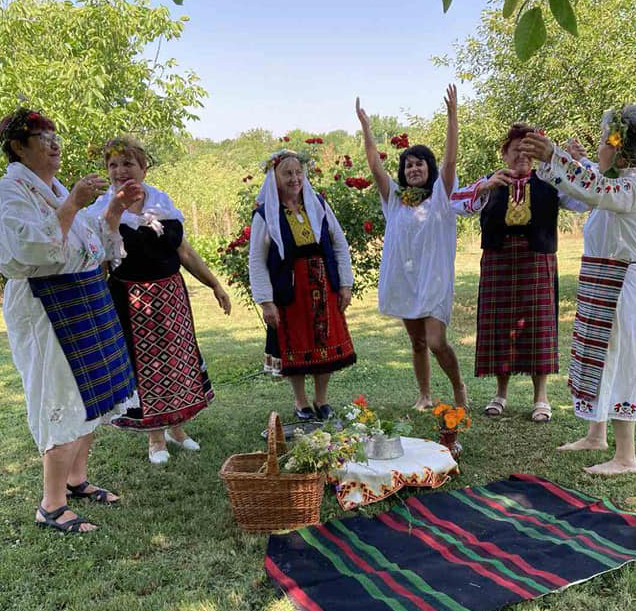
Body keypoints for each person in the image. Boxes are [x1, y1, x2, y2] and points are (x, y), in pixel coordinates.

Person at [0, 108, 141, 533]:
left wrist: (110, 210)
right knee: (62, 394)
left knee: (92, 393)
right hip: (46, 301)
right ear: (18, 146)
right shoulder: (9, 192)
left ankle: (75, 481)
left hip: (83, 295)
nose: (54, 145)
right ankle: (51, 505)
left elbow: (91, 244)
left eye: (57, 137)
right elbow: (32, 250)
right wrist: (73, 202)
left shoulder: (50, 188)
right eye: (43, 137)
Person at [521, 105, 636, 474]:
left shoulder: (633, 187)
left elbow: (597, 189)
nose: (598, 148)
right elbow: (590, 180)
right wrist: (571, 162)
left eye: (604, 141)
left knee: (619, 361)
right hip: (601, 281)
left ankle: (626, 457)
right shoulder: (617, 178)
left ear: (619, 148)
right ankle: (596, 434)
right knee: (596, 359)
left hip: (619, 286)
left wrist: (556, 156)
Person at [84, 137, 231, 464]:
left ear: (144, 168)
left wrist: (214, 285)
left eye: (128, 164)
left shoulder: (163, 204)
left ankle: (176, 429)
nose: (120, 171)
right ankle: (155, 438)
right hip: (130, 299)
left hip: (171, 295)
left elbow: (185, 252)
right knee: (146, 365)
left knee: (176, 360)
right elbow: (102, 263)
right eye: (113, 165)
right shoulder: (101, 211)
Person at [357, 85, 484, 410]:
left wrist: (453, 116)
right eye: (409, 165)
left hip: (434, 279)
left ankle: (458, 387)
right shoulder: (395, 199)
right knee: (416, 342)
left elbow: (451, 157)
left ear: (429, 168)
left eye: (420, 164)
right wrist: (367, 128)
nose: (414, 169)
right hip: (405, 279)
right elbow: (374, 166)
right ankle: (425, 395)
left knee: (436, 341)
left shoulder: (442, 194)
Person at [465, 124, 590, 422]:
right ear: (504, 154)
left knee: (538, 325)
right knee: (500, 325)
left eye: (528, 149)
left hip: (536, 258)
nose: (522, 155)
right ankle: (501, 394)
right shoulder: (490, 182)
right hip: (498, 258)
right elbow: (455, 202)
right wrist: (482, 187)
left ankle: (541, 398)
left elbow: (584, 201)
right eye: (515, 149)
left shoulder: (551, 179)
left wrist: (576, 165)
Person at [248, 149, 356, 421]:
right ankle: (301, 401)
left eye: (298, 172)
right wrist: (266, 301)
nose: (294, 178)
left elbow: (339, 244)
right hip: (290, 290)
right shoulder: (265, 214)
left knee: (325, 340)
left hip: (323, 284)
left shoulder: (317, 204)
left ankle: (321, 399)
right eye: (287, 173)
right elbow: (257, 261)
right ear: (274, 178)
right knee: (294, 345)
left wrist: (345, 284)